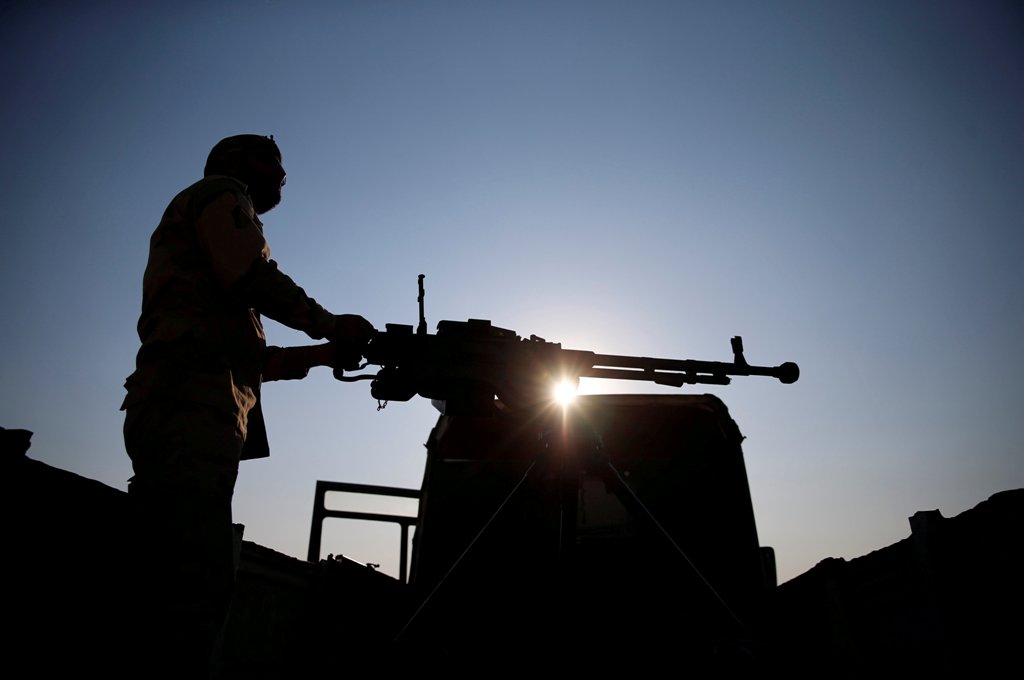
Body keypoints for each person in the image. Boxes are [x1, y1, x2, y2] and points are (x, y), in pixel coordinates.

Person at [120, 134, 375, 677]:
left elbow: (246, 356)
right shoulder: (222, 194)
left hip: (189, 403)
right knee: (191, 583)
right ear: (238, 164)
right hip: (186, 405)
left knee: (184, 572)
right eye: (273, 166)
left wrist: (324, 352)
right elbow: (255, 279)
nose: (282, 178)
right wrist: (330, 323)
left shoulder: (213, 280)